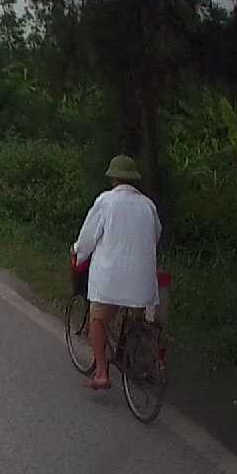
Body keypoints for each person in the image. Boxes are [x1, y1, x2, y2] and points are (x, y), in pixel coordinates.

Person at [73, 155, 162, 389]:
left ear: (113, 178)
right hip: (143, 281)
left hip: (111, 280)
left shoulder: (106, 201)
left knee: (97, 318)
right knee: (136, 314)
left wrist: (78, 253)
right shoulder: (148, 205)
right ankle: (139, 356)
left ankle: (102, 372)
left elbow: (87, 239)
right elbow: (156, 235)